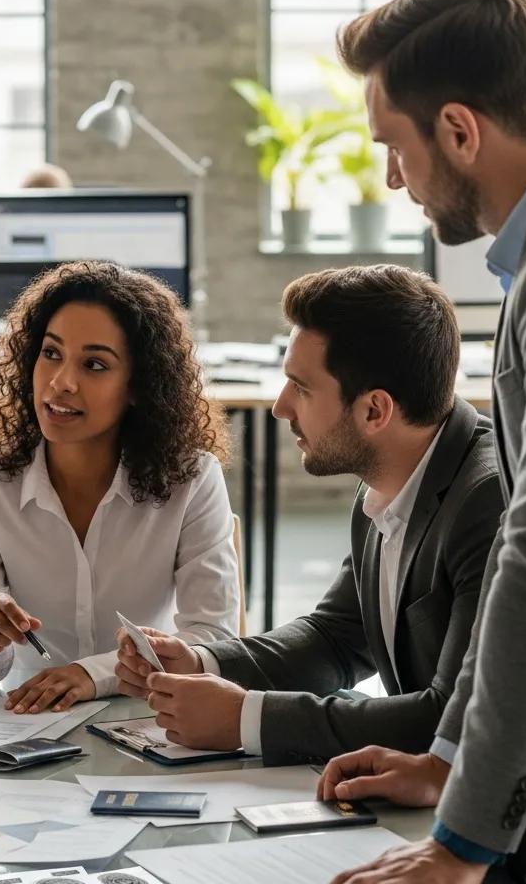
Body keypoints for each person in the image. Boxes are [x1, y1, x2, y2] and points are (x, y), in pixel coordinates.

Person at [296, 0, 526, 884]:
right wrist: (449, 756)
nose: (393, 179)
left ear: (459, 131)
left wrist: (462, 840)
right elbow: (525, 545)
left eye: (394, 144)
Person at [115, 264, 502, 765]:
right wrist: (200, 662)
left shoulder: (489, 504)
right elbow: (336, 639)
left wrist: (248, 719)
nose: (280, 407)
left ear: (374, 411)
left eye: (300, 386)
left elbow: (452, 721)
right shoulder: (389, 480)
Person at [0, 260, 239, 711]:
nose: (61, 383)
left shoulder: (192, 480)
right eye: (51, 353)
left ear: (138, 385)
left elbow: (212, 640)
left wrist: (93, 675)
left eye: (95, 364)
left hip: (147, 719)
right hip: (26, 719)